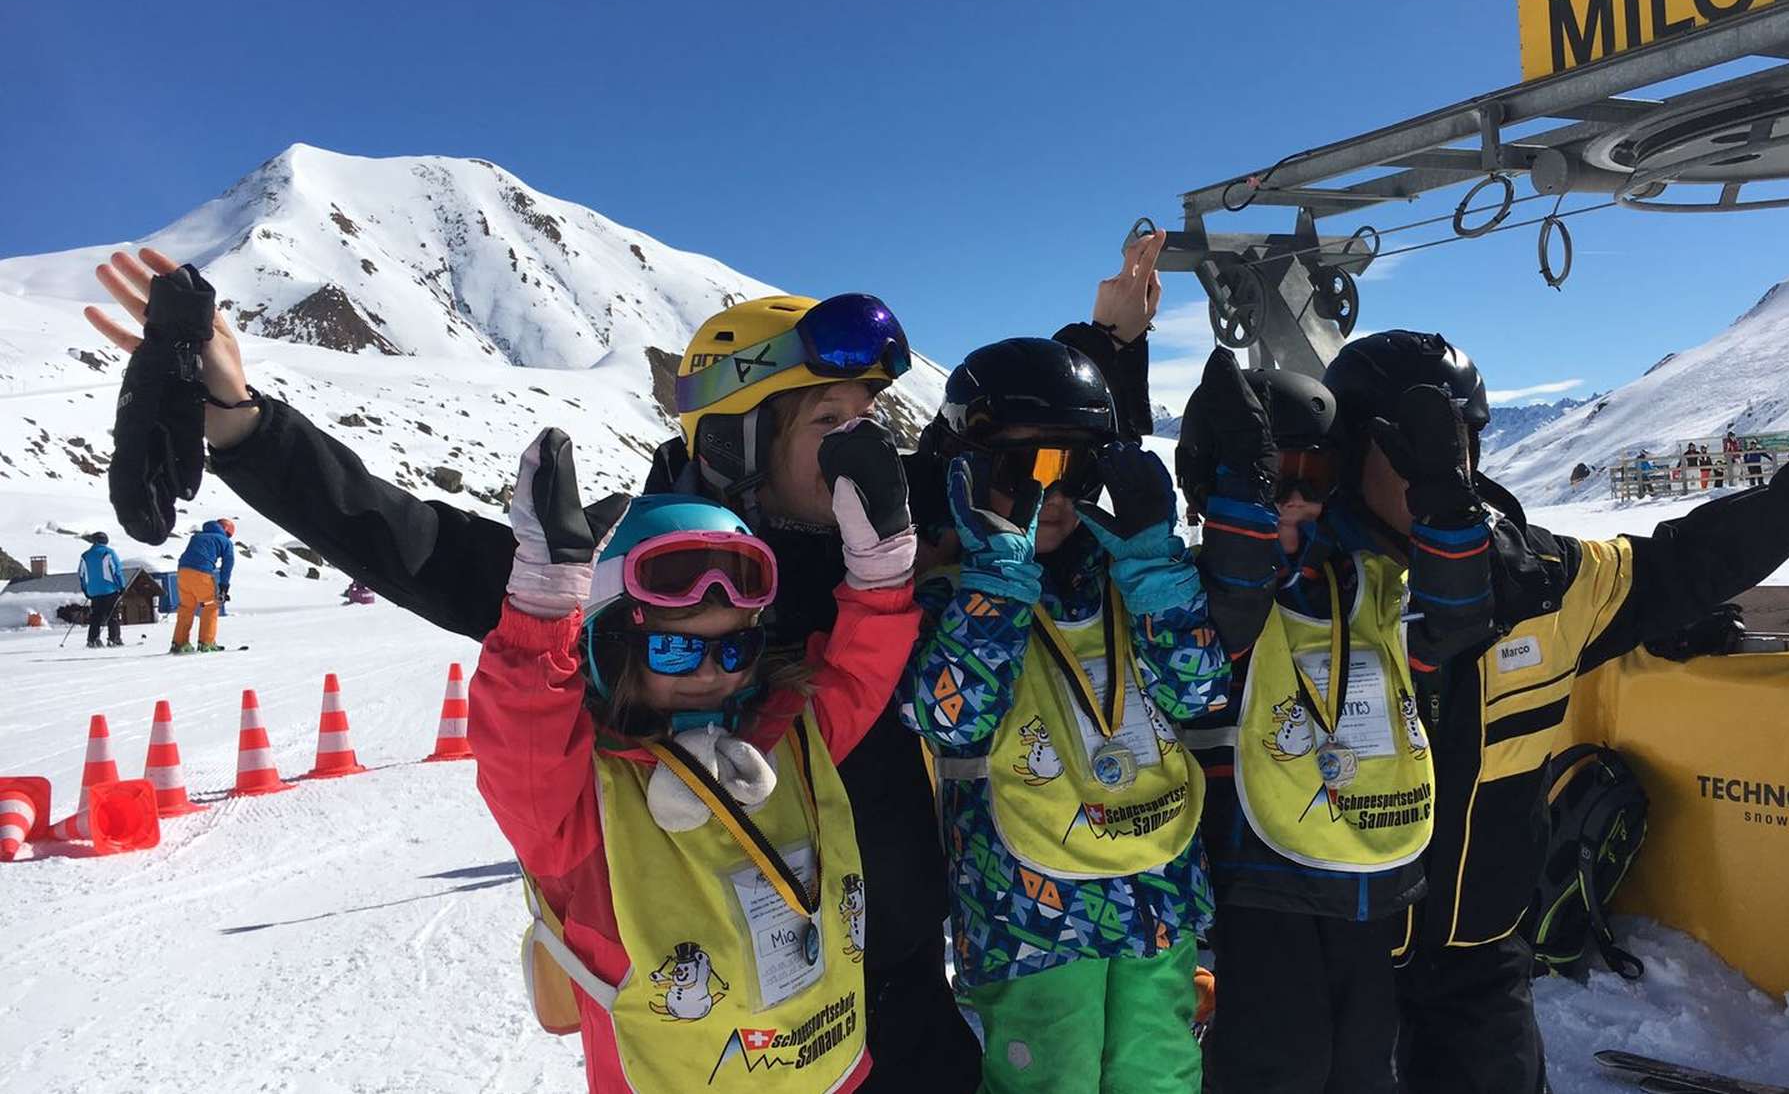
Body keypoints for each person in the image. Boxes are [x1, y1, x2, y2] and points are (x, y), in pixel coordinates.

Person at [83, 239, 1166, 1092]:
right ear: (740, 437)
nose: (867, 449)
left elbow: (1031, 451)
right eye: (833, 421)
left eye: (870, 420)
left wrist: (1107, 345)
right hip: (734, 1021)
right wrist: (247, 428)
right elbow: (420, 545)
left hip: (901, 975)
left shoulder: (883, 518)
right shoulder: (639, 569)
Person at [1291, 331, 1789, 1094]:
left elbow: (1676, 566)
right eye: (1412, 447)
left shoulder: (1542, 582)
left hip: (1482, 957)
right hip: (1338, 964)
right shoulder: (1293, 595)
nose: (1443, 469)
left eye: (1456, 443)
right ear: (1350, 456)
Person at [470, 422, 919, 1092]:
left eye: (734, 648)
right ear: (610, 647)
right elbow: (519, 745)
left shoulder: (789, 738)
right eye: (675, 649)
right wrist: (541, 610)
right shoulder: (580, 804)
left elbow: (859, 671)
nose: (712, 672)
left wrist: (882, 573)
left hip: (828, 1072)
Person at [897, 338, 1229, 1093]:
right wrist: (998, 581)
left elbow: (1201, 692)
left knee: (1161, 1076)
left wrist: (1155, 570)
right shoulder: (948, 594)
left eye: (1070, 468)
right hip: (1030, 920)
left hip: (1156, 893)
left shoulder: (1133, 579)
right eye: (1023, 468)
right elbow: (950, 717)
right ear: (967, 470)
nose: (1049, 492)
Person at [1173, 350, 1496, 1094]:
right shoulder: (1194, 592)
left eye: (1310, 475)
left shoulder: (1364, 578)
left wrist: (1447, 505)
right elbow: (1235, 607)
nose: (1290, 498)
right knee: (1277, 1065)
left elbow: (1450, 626)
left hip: (1362, 865)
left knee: (1362, 1061)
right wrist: (1240, 505)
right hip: (1260, 875)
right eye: (1267, 477)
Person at [171, 517, 235, 654]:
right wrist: (224, 587)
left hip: (183, 572)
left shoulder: (197, 537)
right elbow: (227, 566)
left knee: (186, 607)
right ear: (226, 531)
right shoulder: (225, 542)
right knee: (210, 606)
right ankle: (207, 643)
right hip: (201, 573)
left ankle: (179, 643)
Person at [77, 531, 125, 648]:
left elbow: (81, 574)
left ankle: (92, 639)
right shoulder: (108, 552)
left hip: (93, 591)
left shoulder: (85, 555)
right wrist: (121, 586)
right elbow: (117, 571)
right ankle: (114, 639)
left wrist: (86, 590)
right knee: (112, 615)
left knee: (96, 616)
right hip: (109, 589)